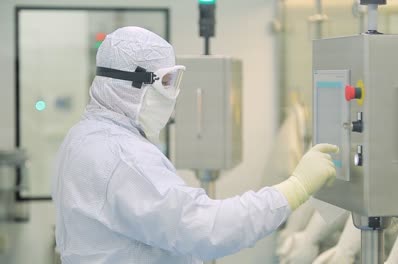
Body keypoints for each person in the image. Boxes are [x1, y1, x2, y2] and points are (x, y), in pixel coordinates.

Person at [51, 26, 338, 264]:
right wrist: (295, 189)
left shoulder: (83, 137)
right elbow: (207, 228)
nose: (174, 96)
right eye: (167, 81)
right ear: (133, 83)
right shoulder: (123, 157)